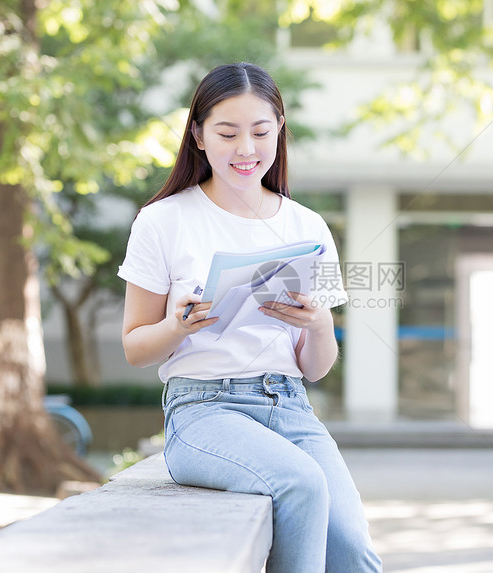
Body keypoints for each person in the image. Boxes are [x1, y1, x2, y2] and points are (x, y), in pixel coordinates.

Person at [118, 62, 382, 572]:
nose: (246, 149)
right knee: (301, 484)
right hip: (202, 410)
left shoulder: (307, 225)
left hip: (290, 407)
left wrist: (319, 323)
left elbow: (317, 368)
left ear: (280, 131)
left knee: (352, 550)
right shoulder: (163, 221)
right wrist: (178, 326)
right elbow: (134, 347)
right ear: (197, 135)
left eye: (261, 132)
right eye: (227, 132)